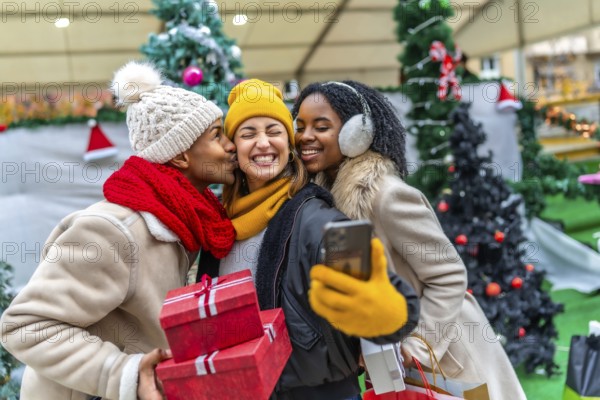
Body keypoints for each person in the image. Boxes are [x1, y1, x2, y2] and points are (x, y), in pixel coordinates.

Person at [0, 61, 238, 400]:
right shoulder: (113, 231)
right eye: (217, 135)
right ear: (182, 155)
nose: (231, 146)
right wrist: (123, 373)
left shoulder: (185, 222)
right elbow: (26, 326)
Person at [292, 80, 527, 400]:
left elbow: (448, 275)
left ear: (355, 133)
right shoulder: (325, 202)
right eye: (300, 126)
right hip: (392, 363)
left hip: (445, 356)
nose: (306, 136)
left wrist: (416, 346)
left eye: (321, 126)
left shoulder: (387, 196)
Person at [196, 79, 420, 400]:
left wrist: (385, 308)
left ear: (289, 145)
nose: (263, 144)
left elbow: (385, 296)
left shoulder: (318, 217)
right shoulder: (222, 222)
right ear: (234, 148)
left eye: (274, 132)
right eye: (248, 134)